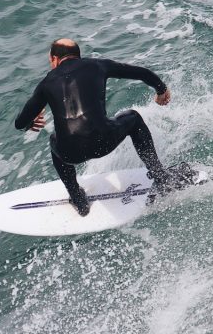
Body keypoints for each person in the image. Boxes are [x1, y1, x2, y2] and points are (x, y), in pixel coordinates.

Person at [14, 38, 187, 216]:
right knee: (133, 118)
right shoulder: (97, 65)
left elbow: (19, 123)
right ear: (77, 56)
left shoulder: (45, 84)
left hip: (70, 154)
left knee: (54, 140)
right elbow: (141, 73)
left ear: (55, 59)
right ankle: (160, 176)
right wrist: (161, 90)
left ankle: (78, 199)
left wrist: (30, 123)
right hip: (104, 141)